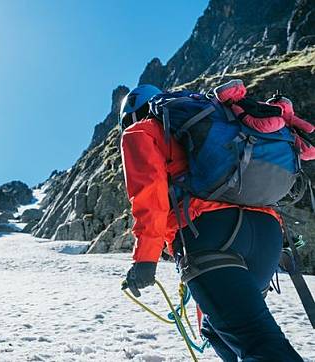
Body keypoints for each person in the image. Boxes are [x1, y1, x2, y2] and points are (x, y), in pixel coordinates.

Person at [118, 84, 303, 361]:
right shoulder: (215, 119)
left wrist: (146, 258)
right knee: (218, 328)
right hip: (266, 236)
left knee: (258, 342)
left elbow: (150, 195)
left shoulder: (141, 131)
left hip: (210, 233)